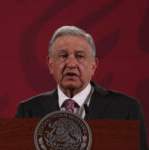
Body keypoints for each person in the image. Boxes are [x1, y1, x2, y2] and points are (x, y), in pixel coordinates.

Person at [15, 26, 148, 149]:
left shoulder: (126, 108)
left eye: (80, 56)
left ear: (93, 65)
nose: (71, 63)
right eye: (63, 56)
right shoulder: (28, 111)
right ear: (50, 64)